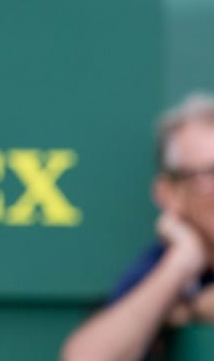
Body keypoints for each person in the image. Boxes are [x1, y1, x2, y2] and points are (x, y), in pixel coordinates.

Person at [62, 93, 214, 361]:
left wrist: (190, 309)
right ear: (169, 194)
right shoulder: (161, 264)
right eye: (208, 174)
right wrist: (180, 264)